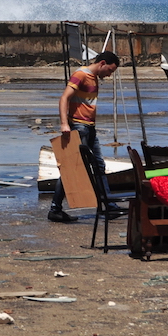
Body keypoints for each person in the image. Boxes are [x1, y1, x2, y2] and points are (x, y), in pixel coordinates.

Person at [48, 51, 121, 222]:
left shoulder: (94, 78)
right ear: (102, 63)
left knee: (99, 166)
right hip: (79, 127)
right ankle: (55, 209)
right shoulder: (81, 75)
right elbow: (64, 98)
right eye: (109, 70)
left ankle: (108, 205)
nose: (109, 75)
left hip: (90, 127)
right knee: (72, 168)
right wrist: (64, 124)